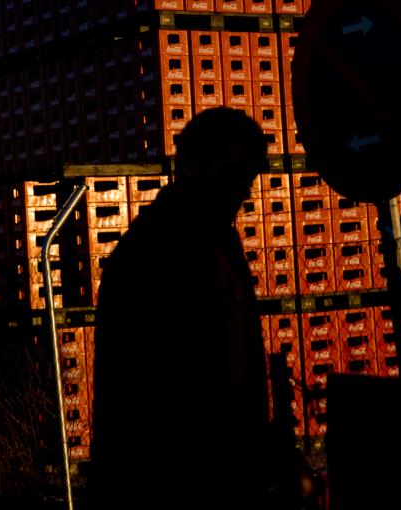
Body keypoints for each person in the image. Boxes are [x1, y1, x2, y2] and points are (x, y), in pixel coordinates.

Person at [88, 107, 305, 508]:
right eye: (231, 174)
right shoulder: (160, 252)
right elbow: (187, 385)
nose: (242, 190)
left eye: (248, 178)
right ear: (190, 166)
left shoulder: (214, 240)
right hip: (172, 484)